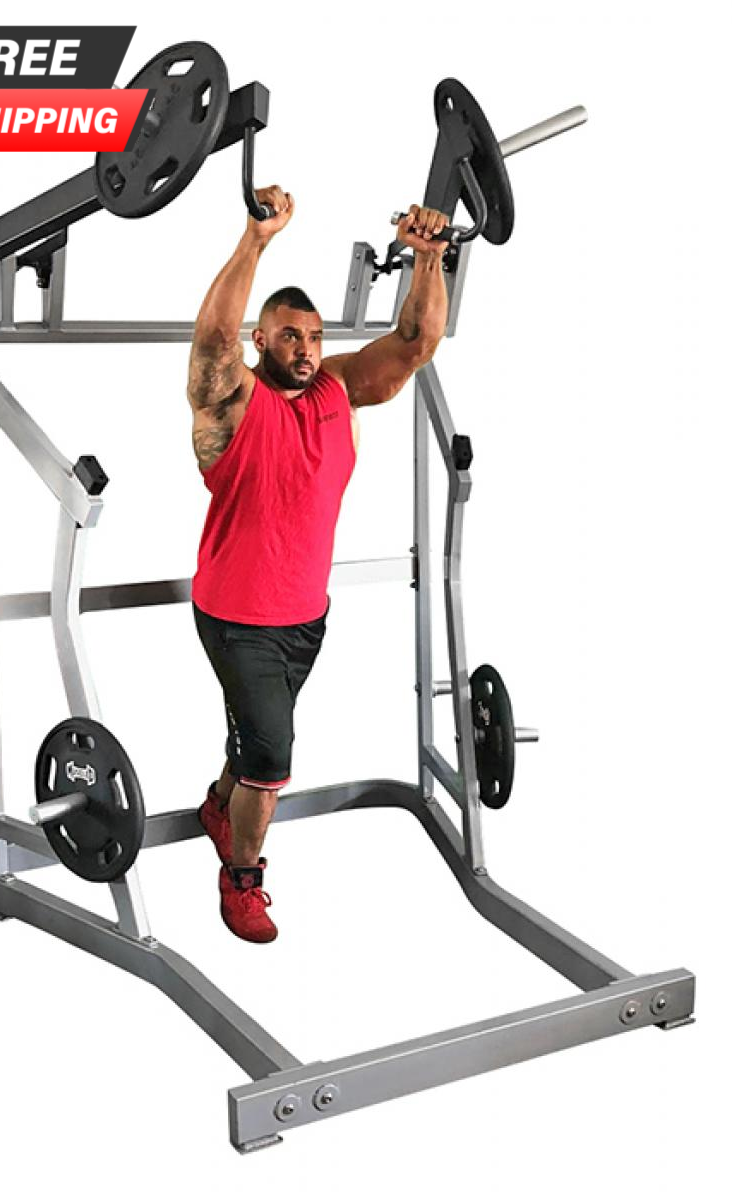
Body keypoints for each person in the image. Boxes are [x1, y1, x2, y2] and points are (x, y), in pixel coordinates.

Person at [188, 185, 450, 942]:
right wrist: (256, 239)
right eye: (287, 336)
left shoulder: (337, 389)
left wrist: (427, 257)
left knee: (256, 740)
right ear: (261, 340)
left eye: (312, 336)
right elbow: (211, 342)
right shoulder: (231, 403)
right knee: (272, 758)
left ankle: (220, 805)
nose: (304, 348)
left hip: (306, 616)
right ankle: (241, 877)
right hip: (237, 616)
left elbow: (415, 343)